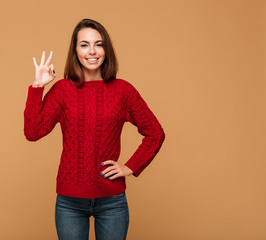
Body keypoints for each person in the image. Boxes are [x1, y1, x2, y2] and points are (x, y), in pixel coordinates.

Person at [24, 18, 165, 240]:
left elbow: (155, 133)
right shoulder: (62, 90)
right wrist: (38, 87)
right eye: (84, 44)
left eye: (98, 44)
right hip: (69, 203)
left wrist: (130, 167)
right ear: (75, 51)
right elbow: (32, 132)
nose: (92, 51)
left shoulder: (123, 90)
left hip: (112, 202)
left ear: (106, 49)